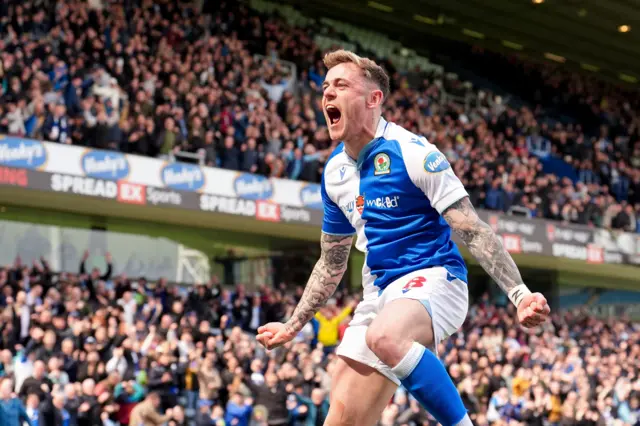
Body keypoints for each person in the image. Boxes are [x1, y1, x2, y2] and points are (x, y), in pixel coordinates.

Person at [257, 49, 551, 426]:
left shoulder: (414, 153)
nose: (327, 94)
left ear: (374, 98)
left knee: (386, 335)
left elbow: (472, 229)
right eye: (325, 87)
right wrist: (292, 325)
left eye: (341, 85)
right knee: (342, 419)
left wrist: (520, 294)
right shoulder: (334, 174)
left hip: (436, 278)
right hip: (379, 294)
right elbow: (332, 261)